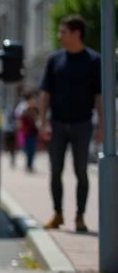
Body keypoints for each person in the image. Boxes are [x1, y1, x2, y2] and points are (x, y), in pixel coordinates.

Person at [38, 14, 103, 232]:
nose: (59, 36)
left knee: (81, 172)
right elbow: (45, 93)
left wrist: (102, 125)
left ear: (77, 33)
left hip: (83, 124)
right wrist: (43, 121)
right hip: (57, 124)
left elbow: (99, 96)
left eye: (62, 31)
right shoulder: (54, 60)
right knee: (55, 171)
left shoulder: (94, 61)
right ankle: (57, 213)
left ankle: (80, 216)